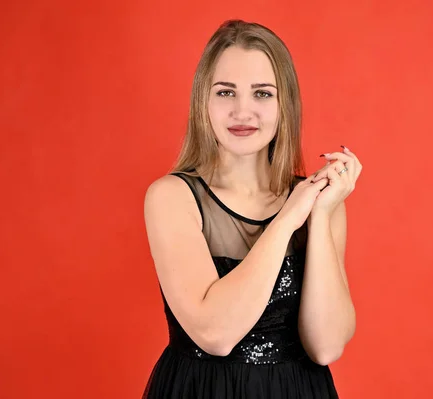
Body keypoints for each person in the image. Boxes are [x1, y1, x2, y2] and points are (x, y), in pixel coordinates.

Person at [142, 19, 361, 399]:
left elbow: (326, 345)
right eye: (226, 92)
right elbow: (216, 335)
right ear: (203, 101)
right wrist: (290, 217)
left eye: (262, 94)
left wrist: (320, 214)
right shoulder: (171, 197)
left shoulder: (318, 204)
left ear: (284, 104)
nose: (243, 111)